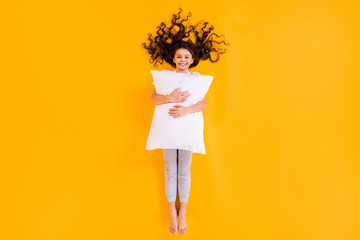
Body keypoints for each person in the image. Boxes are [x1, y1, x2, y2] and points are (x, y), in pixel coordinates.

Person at [142, 8, 229, 235]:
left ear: (193, 60)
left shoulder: (197, 80)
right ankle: (172, 210)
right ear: (173, 58)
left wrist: (186, 110)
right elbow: (153, 99)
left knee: (184, 170)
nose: (182, 60)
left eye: (187, 57)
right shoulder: (164, 77)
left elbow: (204, 104)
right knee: (171, 167)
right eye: (179, 56)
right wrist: (170, 98)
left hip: (187, 128)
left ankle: (183, 212)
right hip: (169, 130)